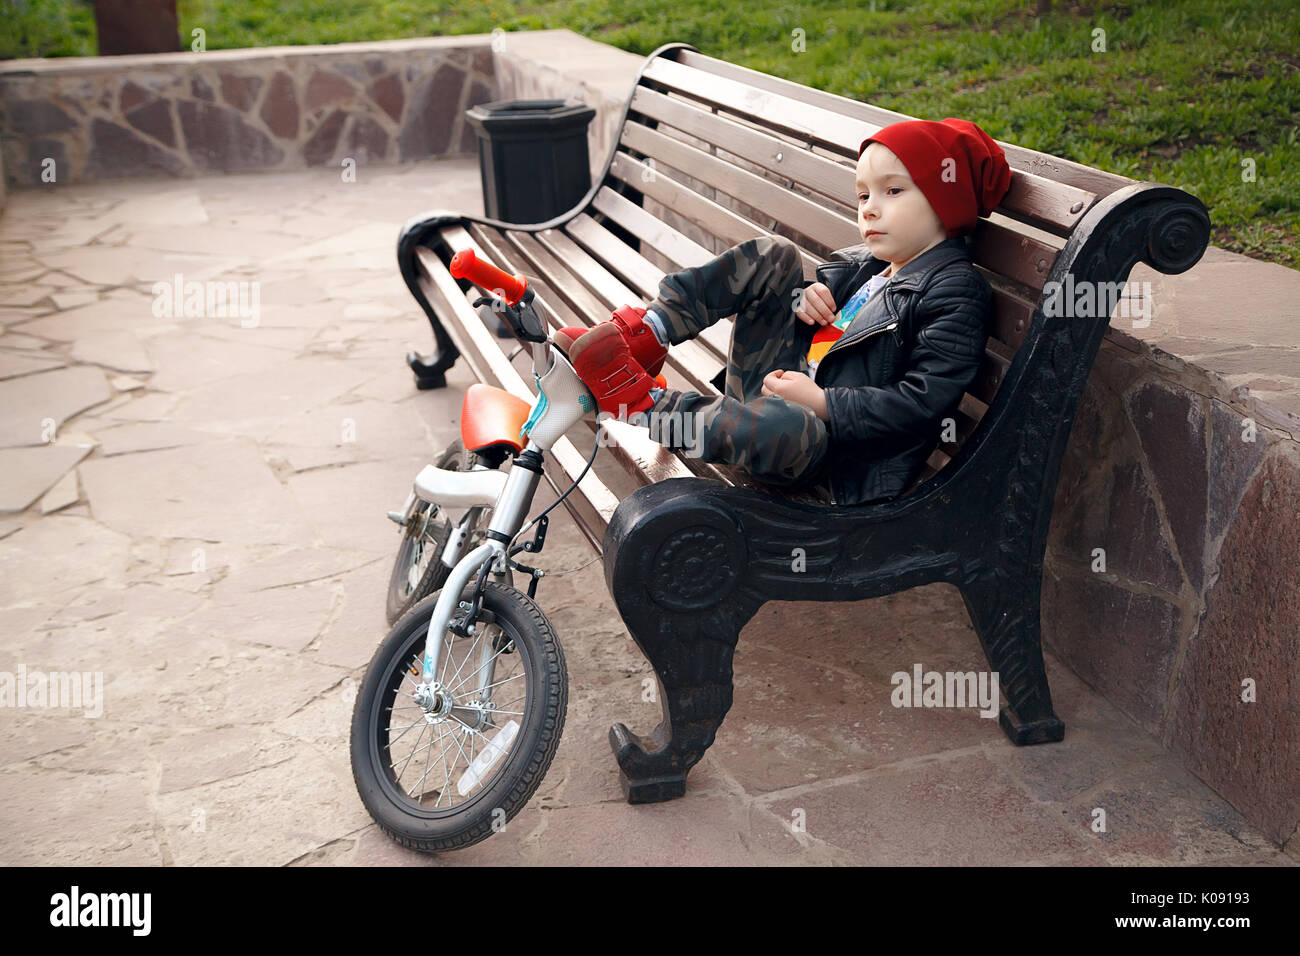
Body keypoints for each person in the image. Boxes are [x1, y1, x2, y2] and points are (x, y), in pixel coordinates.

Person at [553, 118, 1013, 507]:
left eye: (892, 191)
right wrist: (809, 297)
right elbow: (833, 323)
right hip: (776, 393)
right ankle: (649, 333)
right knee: (775, 255)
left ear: (944, 203)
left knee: (789, 423)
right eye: (863, 196)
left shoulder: (955, 291)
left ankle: (641, 404)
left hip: (825, 451)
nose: (870, 210)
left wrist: (823, 404)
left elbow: (920, 404)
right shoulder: (870, 265)